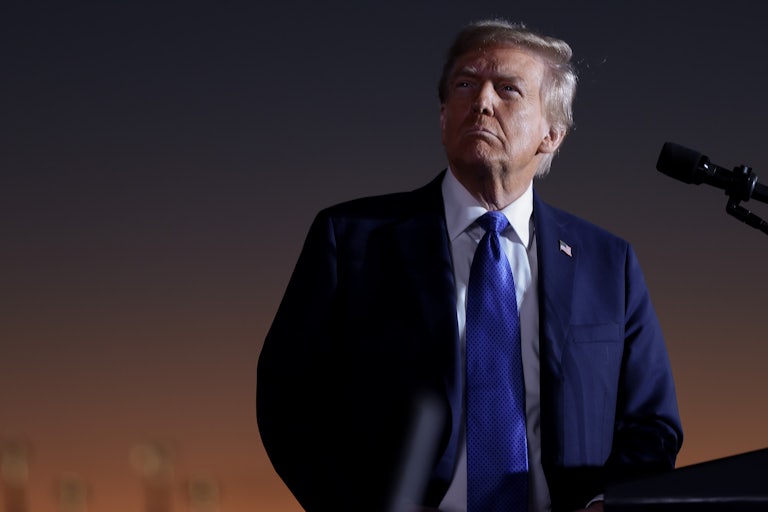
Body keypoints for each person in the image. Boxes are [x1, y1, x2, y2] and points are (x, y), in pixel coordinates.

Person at [257, 19, 683, 512]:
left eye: (508, 90)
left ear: (551, 134)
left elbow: (651, 421)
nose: (481, 101)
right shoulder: (351, 238)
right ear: (442, 118)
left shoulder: (609, 262)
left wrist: (609, 503)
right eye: (465, 84)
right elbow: (288, 400)